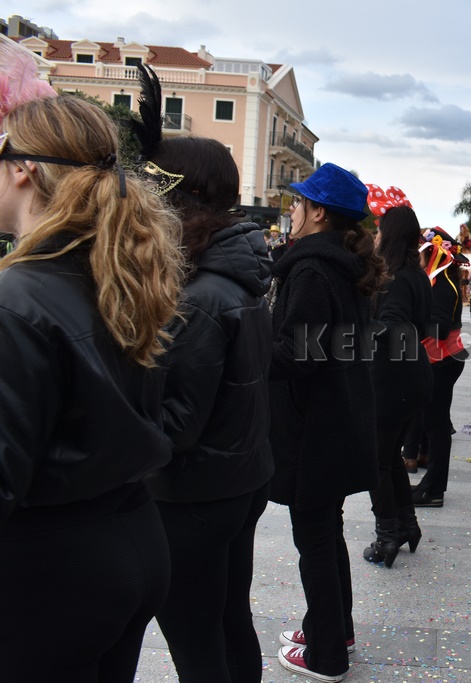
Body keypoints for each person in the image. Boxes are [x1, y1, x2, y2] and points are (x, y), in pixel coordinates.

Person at [0, 89, 183, 680]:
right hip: (128, 538)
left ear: (23, 168)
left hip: (50, 571)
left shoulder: (17, 297)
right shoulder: (113, 270)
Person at [135, 65, 274, 682]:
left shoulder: (202, 294)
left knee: (196, 637)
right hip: (235, 478)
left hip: (197, 492)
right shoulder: (228, 277)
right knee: (227, 617)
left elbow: (178, 422)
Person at [269, 163, 387, 682]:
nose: (293, 210)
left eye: (299, 203)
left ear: (319, 213)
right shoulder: (341, 263)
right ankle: (334, 630)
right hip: (336, 418)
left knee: (314, 539)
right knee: (325, 532)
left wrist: (246, 345)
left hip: (314, 426)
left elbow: (300, 355)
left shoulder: (313, 269)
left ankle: (326, 656)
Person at [363, 194, 432, 566]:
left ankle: (386, 536)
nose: (375, 235)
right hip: (411, 375)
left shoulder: (397, 278)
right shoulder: (416, 274)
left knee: (376, 460)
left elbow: (392, 326)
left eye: (379, 229)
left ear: (390, 234)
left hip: (394, 378)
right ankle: (406, 525)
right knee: (388, 457)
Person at [411, 226, 470, 507]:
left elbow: (440, 328)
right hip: (438, 360)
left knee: (437, 428)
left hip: (443, 361)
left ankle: (434, 490)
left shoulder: (444, 285)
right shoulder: (437, 282)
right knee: (432, 424)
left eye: (422, 252)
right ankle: (430, 483)